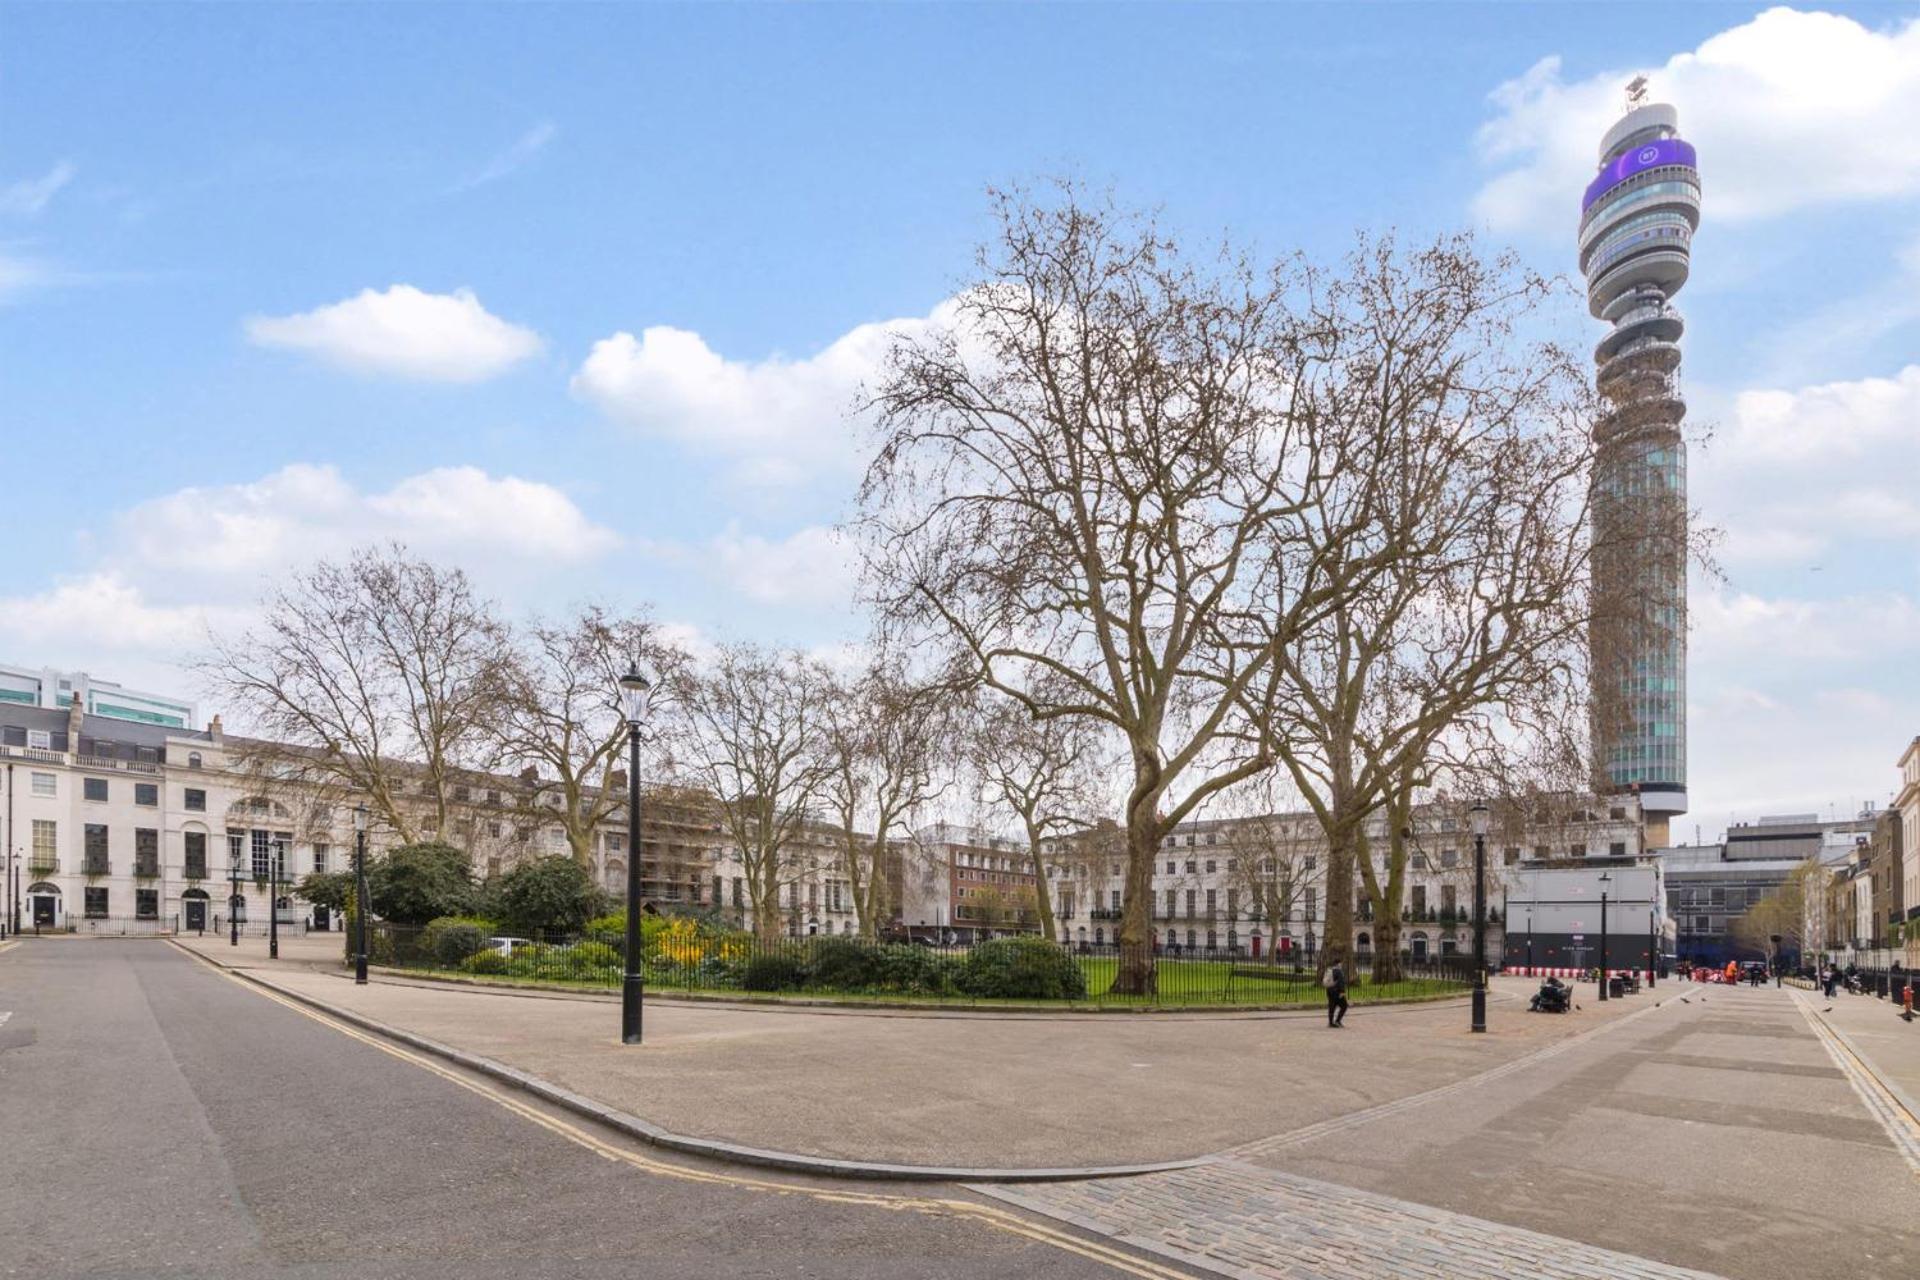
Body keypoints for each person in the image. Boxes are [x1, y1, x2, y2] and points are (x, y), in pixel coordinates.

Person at [1324, 959, 1349, 1028]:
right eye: (1341, 964)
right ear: (1338, 964)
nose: (1341, 965)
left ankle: (1330, 1022)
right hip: (1337, 992)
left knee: (1332, 1007)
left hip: (1329, 991)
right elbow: (1341, 982)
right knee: (1344, 1005)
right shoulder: (1339, 971)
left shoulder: (1329, 970)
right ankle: (1337, 1021)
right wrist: (1342, 992)